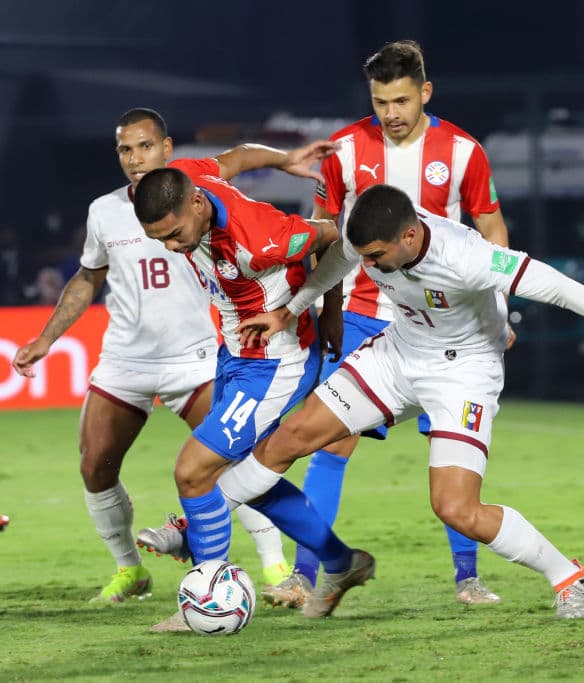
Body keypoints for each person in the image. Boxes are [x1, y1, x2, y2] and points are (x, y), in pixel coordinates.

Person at [226, 184, 584, 619]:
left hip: (463, 374)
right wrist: (290, 311)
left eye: (375, 256)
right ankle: (202, 522)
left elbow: (555, 285)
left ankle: (571, 578)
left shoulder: (465, 256)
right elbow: (339, 260)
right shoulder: (371, 236)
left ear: (410, 236)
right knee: (293, 436)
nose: (368, 265)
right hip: (398, 355)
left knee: (457, 508)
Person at [10, 108, 332, 603]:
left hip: (198, 355)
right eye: (125, 149)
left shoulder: (192, 190)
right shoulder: (104, 211)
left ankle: (273, 567)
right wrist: (47, 337)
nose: (134, 158)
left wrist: (285, 159)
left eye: (145, 146)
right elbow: (88, 276)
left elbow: (240, 158)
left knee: (227, 461)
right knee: (95, 464)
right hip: (126, 359)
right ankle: (131, 570)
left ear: (166, 148)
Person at [263, 40, 511, 609]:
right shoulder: (345, 150)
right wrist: (327, 310)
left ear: (425, 92)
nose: (391, 113)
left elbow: (492, 231)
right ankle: (306, 574)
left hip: (444, 322)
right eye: (380, 102)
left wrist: (494, 306)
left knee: (451, 447)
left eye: (401, 100)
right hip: (361, 311)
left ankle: (468, 577)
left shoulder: (464, 152)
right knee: (330, 441)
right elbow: (325, 236)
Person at [131, 157, 374, 630]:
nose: (172, 247)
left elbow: (335, 237)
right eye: (159, 240)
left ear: (197, 204)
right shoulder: (187, 177)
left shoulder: (262, 239)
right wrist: (286, 159)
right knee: (246, 477)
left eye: (174, 234)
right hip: (235, 353)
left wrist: (330, 310)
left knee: (193, 471)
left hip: (276, 363)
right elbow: (237, 155)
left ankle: (205, 598)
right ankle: (341, 561)